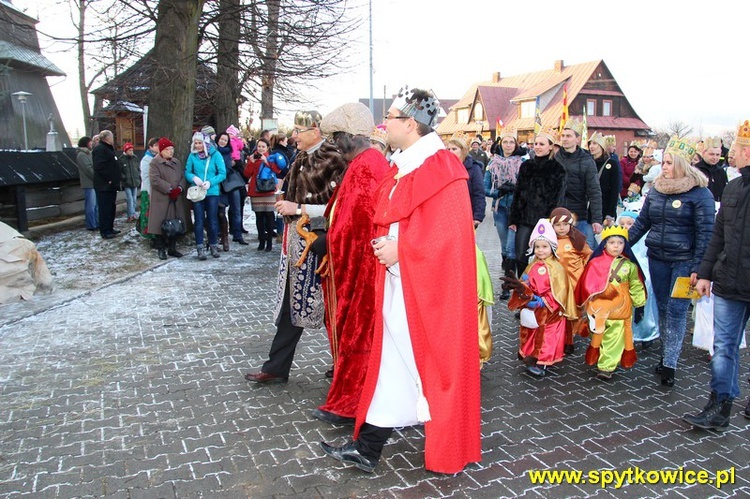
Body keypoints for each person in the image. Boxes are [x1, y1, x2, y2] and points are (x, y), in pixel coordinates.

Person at [320, 87, 480, 475]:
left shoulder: (442, 168)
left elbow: (450, 238)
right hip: (399, 287)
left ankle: (438, 450)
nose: (383, 123)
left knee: (419, 369)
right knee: (391, 367)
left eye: (390, 117)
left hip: (423, 293)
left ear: (410, 124)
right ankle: (367, 447)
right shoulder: (405, 163)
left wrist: (402, 250)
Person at [244, 110, 346, 384]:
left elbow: (341, 208)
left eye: (298, 131)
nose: (293, 136)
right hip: (296, 242)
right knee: (292, 304)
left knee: (331, 306)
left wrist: (299, 207)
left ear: (315, 130)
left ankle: (344, 365)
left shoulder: (333, 158)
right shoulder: (300, 157)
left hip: (320, 243)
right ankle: (277, 367)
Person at [310, 102, 390, 426]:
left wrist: (327, 241)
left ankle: (351, 403)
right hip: (361, 267)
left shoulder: (367, 165)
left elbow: (356, 227)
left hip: (364, 270)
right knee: (355, 338)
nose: (334, 145)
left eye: (336, 137)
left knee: (359, 339)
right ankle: (351, 400)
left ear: (350, 135)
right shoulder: (363, 162)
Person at [627, 136, 715, 387]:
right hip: (658, 258)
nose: (664, 167)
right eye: (663, 162)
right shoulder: (656, 189)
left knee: (677, 310)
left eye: (668, 162)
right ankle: (667, 354)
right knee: (663, 308)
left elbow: (705, 234)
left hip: (685, 262)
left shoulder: (700, 195)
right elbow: (642, 223)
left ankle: (670, 364)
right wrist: (620, 245)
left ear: (682, 165)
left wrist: (700, 267)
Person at [683, 120, 750, 430]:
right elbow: (718, 237)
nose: (730, 153)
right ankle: (720, 405)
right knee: (723, 347)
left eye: (734, 149)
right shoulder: (734, 187)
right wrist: (706, 272)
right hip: (729, 283)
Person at [503, 218, 576, 378]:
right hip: (534, 310)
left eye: (544, 247)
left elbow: (560, 291)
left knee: (547, 337)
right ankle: (532, 356)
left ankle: (542, 363)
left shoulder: (557, 268)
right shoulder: (533, 265)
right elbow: (526, 283)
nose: (540, 250)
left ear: (552, 247)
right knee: (533, 334)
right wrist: (519, 288)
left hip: (550, 313)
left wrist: (544, 301)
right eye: (537, 247)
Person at [576, 225, 646, 380]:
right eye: (612, 242)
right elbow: (586, 283)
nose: (616, 246)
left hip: (620, 309)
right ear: (605, 244)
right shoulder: (595, 263)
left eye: (620, 243)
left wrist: (639, 304)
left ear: (625, 245)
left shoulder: (630, 266)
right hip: (598, 307)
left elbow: (635, 284)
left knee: (614, 336)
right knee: (597, 333)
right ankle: (599, 355)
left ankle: (606, 366)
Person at [509, 127, 567, 274]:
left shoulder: (557, 169)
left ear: (551, 147)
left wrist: (551, 220)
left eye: (542, 144)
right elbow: (518, 192)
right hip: (525, 218)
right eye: (536, 144)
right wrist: (514, 218)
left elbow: (558, 198)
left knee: (543, 255)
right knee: (520, 254)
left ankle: (540, 285)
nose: (538, 147)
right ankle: (523, 284)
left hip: (544, 220)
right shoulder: (526, 166)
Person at [485, 127, 524, 294]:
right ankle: (508, 275)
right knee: (503, 247)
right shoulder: (493, 163)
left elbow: (527, 186)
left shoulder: (522, 163)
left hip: (516, 209)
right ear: (501, 144)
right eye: (505, 142)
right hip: (500, 208)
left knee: (511, 248)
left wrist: (517, 189)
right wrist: (498, 191)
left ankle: (509, 286)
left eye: (511, 142)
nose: (508, 145)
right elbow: (485, 187)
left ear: (515, 145)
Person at [549, 207, 591, 353]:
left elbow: (588, 255)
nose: (562, 228)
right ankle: (560, 335)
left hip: (575, 281)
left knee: (575, 310)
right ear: (552, 226)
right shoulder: (550, 240)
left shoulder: (577, 239)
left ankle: (571, 337)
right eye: (558, 225)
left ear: (570, 225)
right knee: (560, 309)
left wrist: (585, 272)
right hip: (557, 283)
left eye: (565, 224)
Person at [555, 118, 603, 249]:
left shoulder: (587, 161)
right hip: (557, 215)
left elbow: (594, 192)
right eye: (563, 136)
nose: (564, 139)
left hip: (578, 215)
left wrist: (597, 219)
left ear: (577, 139)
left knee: (578, 251)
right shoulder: (555, 158)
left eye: (568, 136)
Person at [617, 210, 659, 347]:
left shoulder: (643, 241)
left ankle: (647, 334)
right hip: (624, 278)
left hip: (643, 274)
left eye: (630, 223)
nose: (625, 227)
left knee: (645, 305)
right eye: (622, 224)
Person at [185, 131, 226, 260]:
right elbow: (187, 171)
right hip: (197, 192)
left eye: (200, 143)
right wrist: (193, 178)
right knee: (199, 220)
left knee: (212, 219)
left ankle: (213, 245)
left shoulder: (215, 155)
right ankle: (200, 247)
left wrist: (211, 182)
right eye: (195, 143)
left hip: (212, 192)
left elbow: (222, 173)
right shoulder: (192, 156)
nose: (198, 146)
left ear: (205, 143)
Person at [147, 138, 186, 260]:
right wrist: (169, 189)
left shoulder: (176, 162)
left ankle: (172, 248)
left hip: (175, 198)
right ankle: (161, 249)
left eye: (172, 149)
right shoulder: (155, 163)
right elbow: (155, 180)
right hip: (162, 198)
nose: (170, 151)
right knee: (160, 224)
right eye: (167, 149)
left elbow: (182, 176)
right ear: (161, 150)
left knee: (174, 224)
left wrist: (180, 188)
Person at [244, 138, 283, 251]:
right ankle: (261, 240)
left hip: (269, 190)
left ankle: (269, 242)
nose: (260, 149)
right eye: (259, 146)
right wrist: (251, 162)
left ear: (267, 148)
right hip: (256, 190)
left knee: (269, 216)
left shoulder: (271, 157)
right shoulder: (252, 157)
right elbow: (247, 173)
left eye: (263, 147)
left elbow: (278, 171)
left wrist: (266, 161)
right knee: (259, 217)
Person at [215, 132, 247, 249]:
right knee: (220, 211)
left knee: (236, 209)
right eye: (221, 139)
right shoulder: (213, 151)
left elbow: (230, 166)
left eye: (225, 140)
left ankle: (237, 234)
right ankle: (221, 235)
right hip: (218, 184)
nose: (223, 141)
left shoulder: (229, 151)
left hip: (230, 182)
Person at [445, 135, 486, 227]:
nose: (450, 152)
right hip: (447, 215)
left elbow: (479, 193)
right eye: (448, 149)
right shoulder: (443, 168)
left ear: (463, 150)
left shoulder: (474, 168)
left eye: (454, 149)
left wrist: (477, 216)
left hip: (466, 213)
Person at [92, 130, 121, 239]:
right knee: (104, 208)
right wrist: (108, 179)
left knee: (111, 208)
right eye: (112, 137)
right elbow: (99, 166)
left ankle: (110, 228)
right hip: (104, 186)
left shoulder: (108, 149)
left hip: (111, 186)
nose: (113, 139)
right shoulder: (100, 149)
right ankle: (105, 231)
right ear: (107, 138)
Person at [588, 132, 621, 223]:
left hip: (604, 207)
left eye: (595, 143)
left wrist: (610, 213)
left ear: (602, 146)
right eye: (590, 144)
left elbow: (614, 189)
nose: (591, 146)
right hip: (588, 208)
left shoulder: (611, 163)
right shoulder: (587, 162)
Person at [694, 136, 728, 202]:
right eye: (711, 154)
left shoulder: (721, 172)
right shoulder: (695, 170)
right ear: (704, 153)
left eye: (717, 155)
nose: (715, 157)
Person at [138, 137, 159, 240]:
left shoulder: (158, 157)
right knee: (148, 213)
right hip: (148, 190)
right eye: (155, 145)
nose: (157, 147)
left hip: (156, 190)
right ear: (150, 147)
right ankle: (148, 234)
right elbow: (146, 177)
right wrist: (149, 191)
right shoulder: (146, 159)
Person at [76, 136, 98, 231]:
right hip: (89, 184)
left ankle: (96, 223)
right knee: (90, 205)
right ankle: (91, 225)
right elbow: (88, 169)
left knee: (96, 205)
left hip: (94, 183)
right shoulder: (81, 155)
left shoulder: (89, 153)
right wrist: (97, 177)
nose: (92, 144)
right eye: (90, 142)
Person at [118, 142, 140, 222]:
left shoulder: (135, 158)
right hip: (127, 182)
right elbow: (120, 171)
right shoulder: (121, 159)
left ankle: (133, 213)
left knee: (134, 199)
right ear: (126, 151)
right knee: (129, 199)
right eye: (129, 150)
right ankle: (130, 215)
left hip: (134, 181)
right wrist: (124, 178)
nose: (131, 152)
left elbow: (137, 169)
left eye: (132, 150)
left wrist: (138, 177)